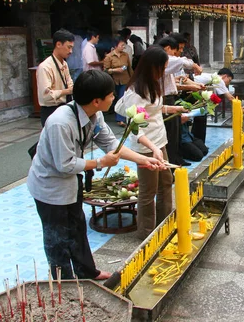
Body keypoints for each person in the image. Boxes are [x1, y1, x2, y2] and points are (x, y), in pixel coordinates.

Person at [28, 70, 164, 280]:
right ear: (96, 100)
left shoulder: (95, 114)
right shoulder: (60, 123)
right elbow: (64, 165)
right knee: (57, 239)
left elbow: (111, 144)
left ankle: (87, 271)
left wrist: (144, 160)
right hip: (49, 187)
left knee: (78, 228)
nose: (114, 98)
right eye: (111, 95)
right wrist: (100, 162)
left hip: (71, 184)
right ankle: (64, 284)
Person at [114, 46, 187, 239]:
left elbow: (154, 108)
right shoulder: (136, 91)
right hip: (146, 148)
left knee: (166, 182)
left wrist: (172, 109)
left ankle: (165, 223)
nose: (164, 71)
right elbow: (136, 128)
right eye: (162, 67)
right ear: (151, 67)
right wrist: (154, 149)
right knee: (148, 191)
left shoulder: (152, 83)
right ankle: (146, 233)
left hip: (159, 141)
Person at [158, 36, 201, 166]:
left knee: (175, 133)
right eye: (177, 50)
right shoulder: (161, 59)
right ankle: (171, 163)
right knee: (170, 134)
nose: (178, 53)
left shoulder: (166, 61)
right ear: (167, 48)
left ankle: (176, 159)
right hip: (164, 99)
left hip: (169, 99)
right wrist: (195, 66)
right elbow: (182, 61)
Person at [192, 68, 244, 142]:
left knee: (200, 119)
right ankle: (198, 143)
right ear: (225, 76)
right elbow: (230, 98)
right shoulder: (219, 80)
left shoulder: (212, 77)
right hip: (188, 89)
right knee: (200, 120)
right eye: (229, 80)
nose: (228, 84)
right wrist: (243, 110)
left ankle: (198, 142)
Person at [37, 29, 75, 127]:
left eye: (72, 48)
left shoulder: (64, 63)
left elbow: (70, 83)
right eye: (68, 47)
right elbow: (46, 96)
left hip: (65, 107)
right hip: (51, 110)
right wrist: (67, 91)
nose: (71, 51)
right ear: (58, 44)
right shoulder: (45, 67)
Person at [104, 37, 133, 126]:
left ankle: (120, 119)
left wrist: (133, 79)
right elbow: (106, 70)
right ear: (116, 46)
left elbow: (129, 68)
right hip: (114, 81)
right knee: (114, 98)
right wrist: (116, 70)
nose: (123, 47)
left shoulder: (125, 55)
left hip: (125, 80)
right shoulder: (109, 57)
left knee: (122, 98)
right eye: (122, 45)